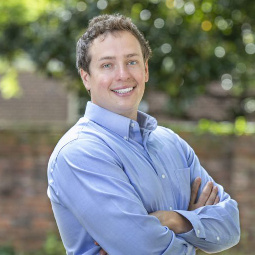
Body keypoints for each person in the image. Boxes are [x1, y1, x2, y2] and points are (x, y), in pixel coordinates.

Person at [47, 14, 240, 255]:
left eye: (132, 62)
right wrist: (195, 231)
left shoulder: (172, 144)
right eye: (107, 65)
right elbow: (144, 250)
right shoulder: (79, 152)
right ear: (86, 77)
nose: (123, 75)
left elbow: (230, 226)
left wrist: (172, 220)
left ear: (146, 69)